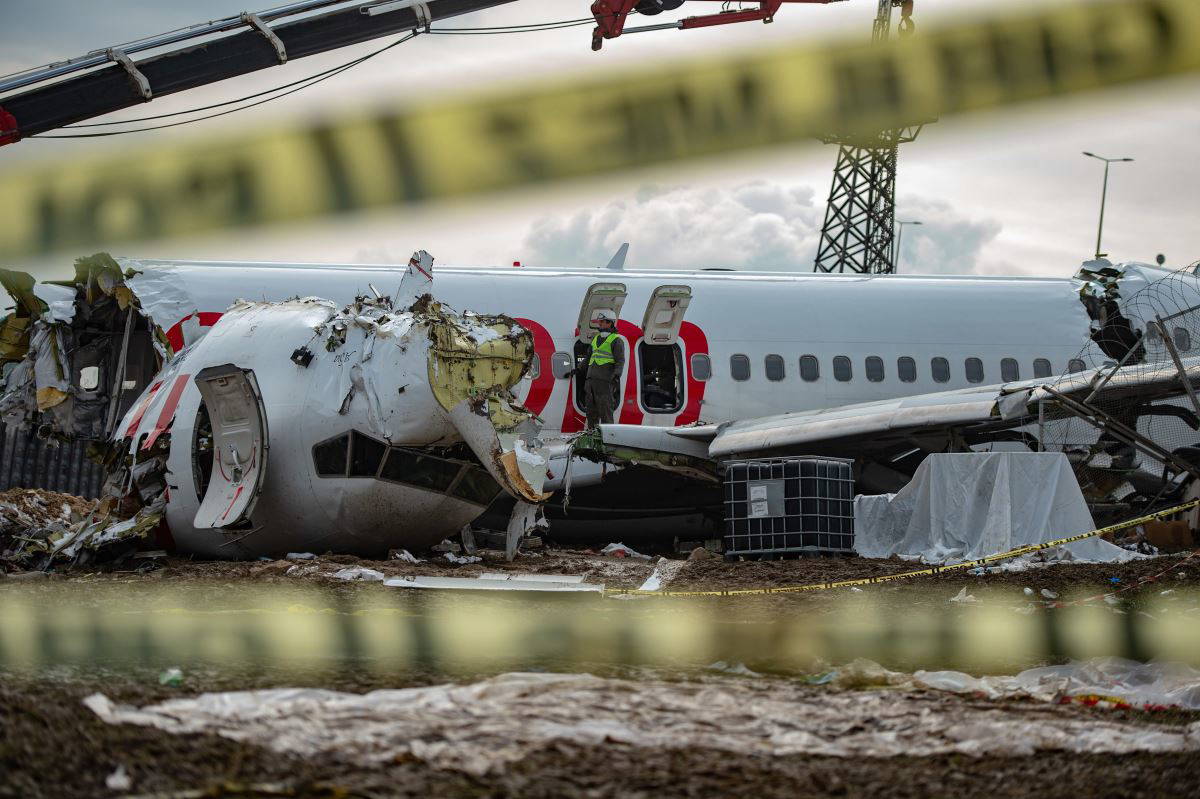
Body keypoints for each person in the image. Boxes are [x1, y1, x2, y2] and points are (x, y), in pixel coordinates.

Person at [583, 308, 624, 428]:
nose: (599, 324)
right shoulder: (595, 339)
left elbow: (620, 360)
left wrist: (617, 374)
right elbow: (588, 358)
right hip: (591, 382)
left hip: (604, 381)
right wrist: (578, 369)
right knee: (591, 413)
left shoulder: (616, 340)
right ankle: (592, 436)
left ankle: (608, 437)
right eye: (599, 321)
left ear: (609, 323)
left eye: (601, 321)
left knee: (605, 411)